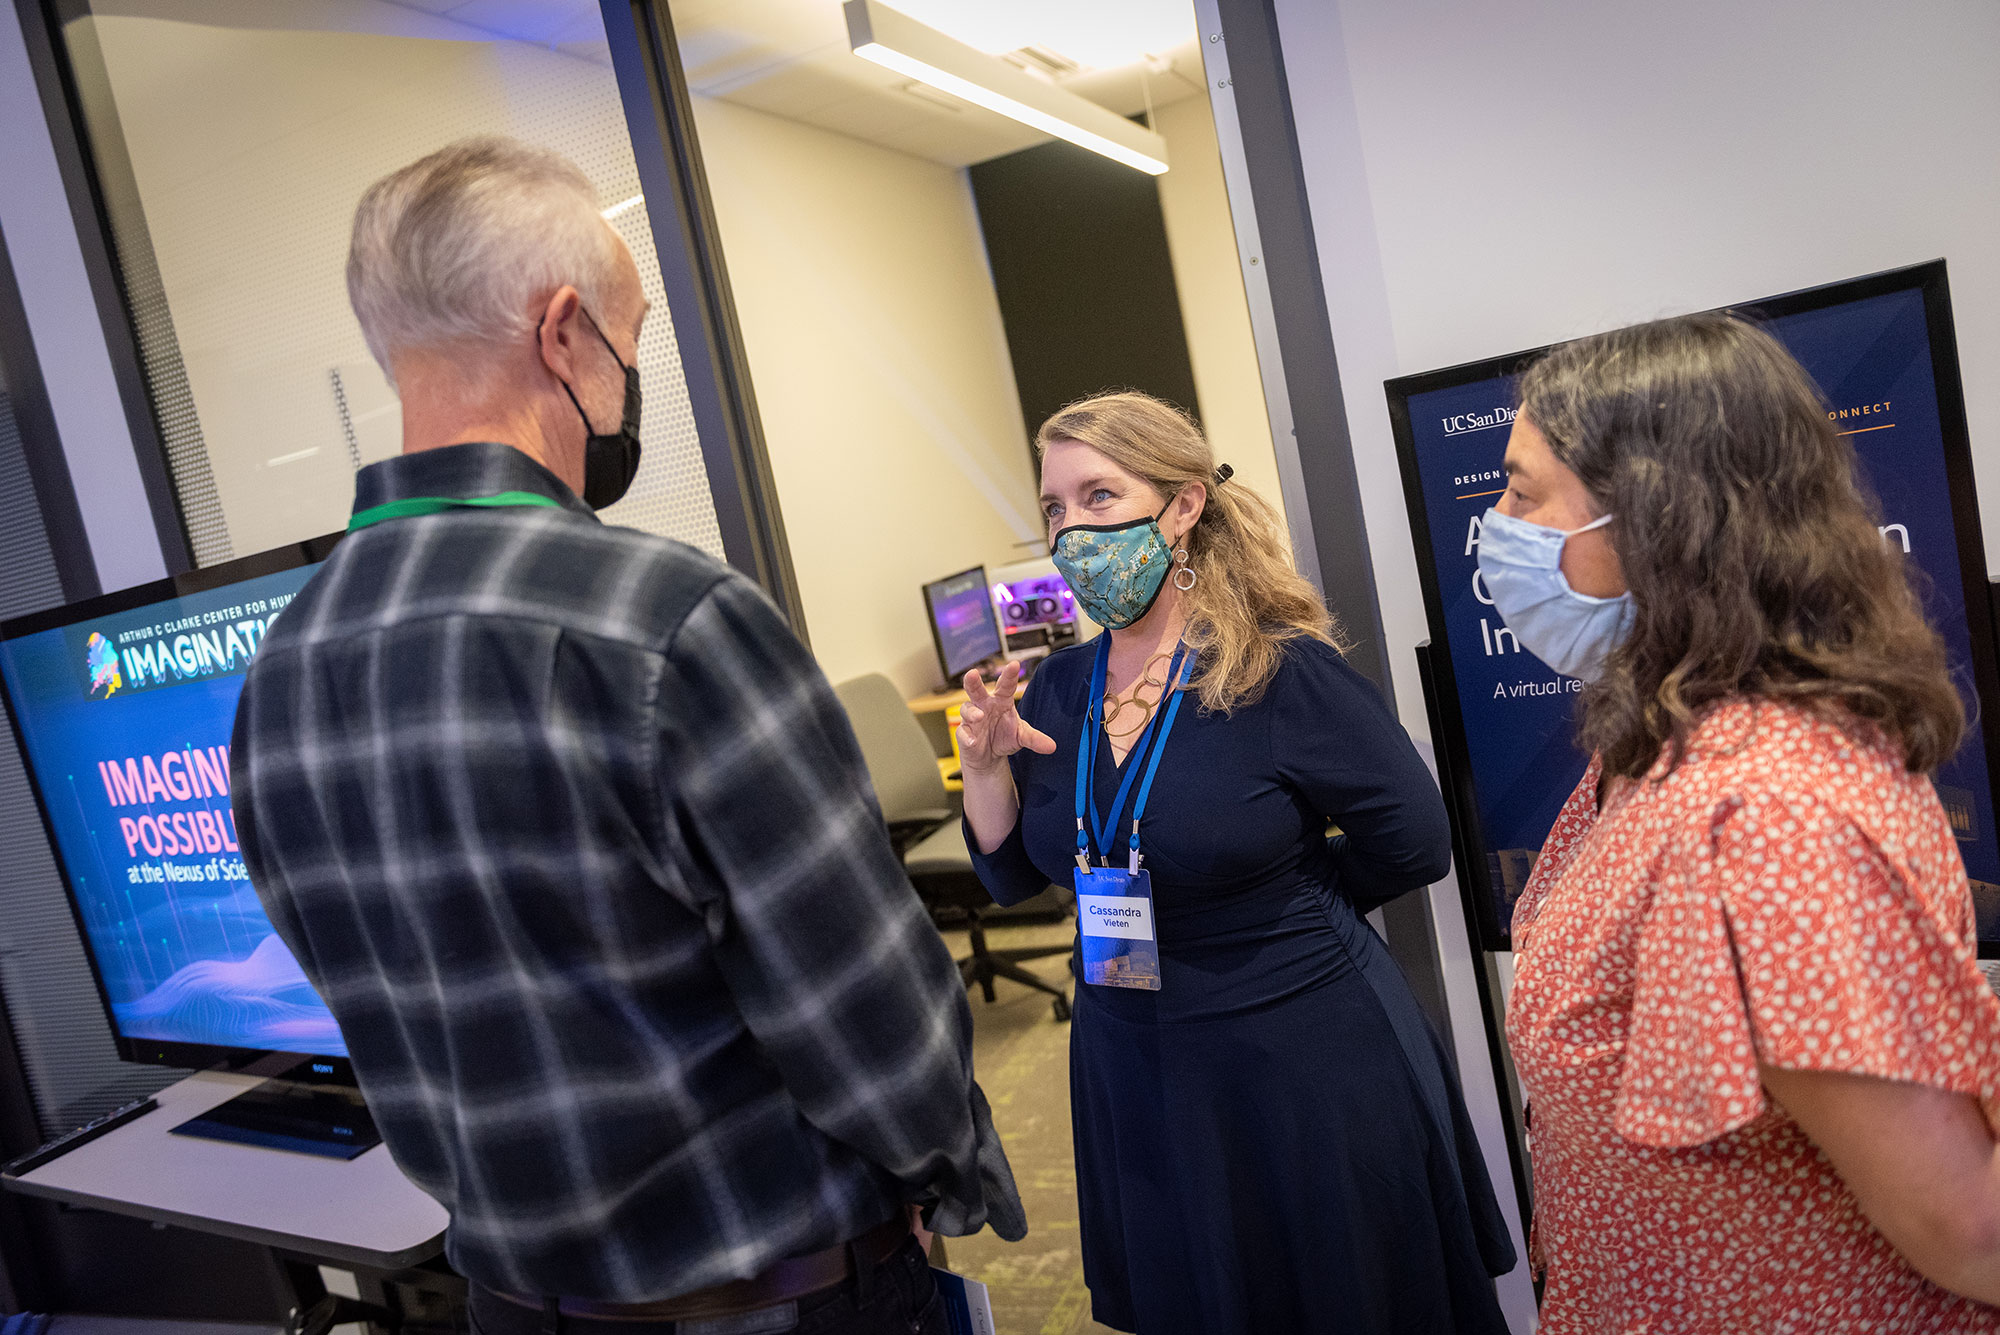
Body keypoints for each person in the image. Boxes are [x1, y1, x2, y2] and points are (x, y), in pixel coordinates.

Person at [229, 137, 1023, 1333]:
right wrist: (948, 1169)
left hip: (510, 1303)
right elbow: (868, 1016)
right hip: (775, 1300)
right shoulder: (668, 624)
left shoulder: (276, 679)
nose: (630, 369)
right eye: (632, 334)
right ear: (562, 335)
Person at [957, 391, 1516, 1334]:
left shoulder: (1275, 669)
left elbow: (1415, 841)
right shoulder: (1053, 687)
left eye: (1100, 497)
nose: (1073, 531)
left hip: (1297, 1051)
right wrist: (985, 772)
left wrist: (1285, 901)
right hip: (1132, 1060)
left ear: (1183, 506)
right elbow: (1015, 881)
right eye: (1055, 508)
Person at [1492, 312, 2000, 1332]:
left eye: (1518, 491)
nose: (1494, 526)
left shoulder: (1767, 814)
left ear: (1653, 517)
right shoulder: (1656, 748)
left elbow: (1969, 1231)